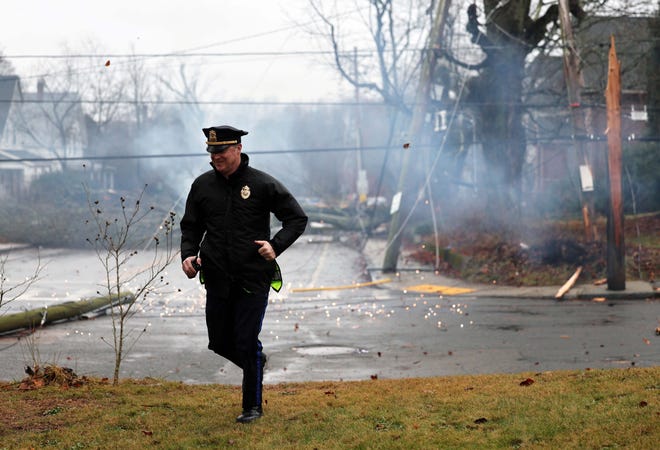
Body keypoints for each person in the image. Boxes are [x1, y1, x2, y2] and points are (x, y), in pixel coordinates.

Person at [180, 125, 307, 423]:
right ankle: (256, 364)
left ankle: (252, 406)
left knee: (247, 341)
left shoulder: (262, 184)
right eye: (211, 152)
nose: (216, 157)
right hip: (217, 277)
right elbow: (191, 226)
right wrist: (188, 254)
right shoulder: (202, 186)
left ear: (237, 148)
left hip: (253, 277)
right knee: (220, 342)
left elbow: (296, 218)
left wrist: (275, 246)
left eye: (221, 151)